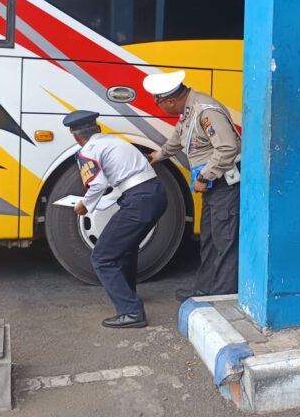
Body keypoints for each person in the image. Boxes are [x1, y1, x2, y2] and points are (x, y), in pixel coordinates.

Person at [142, 71, 241, 302]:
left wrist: (205, 176)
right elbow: (178, 139)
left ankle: (222, 297)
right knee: (209, 238)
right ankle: (205, 289)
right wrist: (156, 156)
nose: (161, 109)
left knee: (225, 241)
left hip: (223, 184)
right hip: (213, 186)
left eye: (160, 104)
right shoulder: (189, 111)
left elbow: (228, 147)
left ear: (170, 101)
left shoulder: (205, 111)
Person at [64, 110, 167, 328]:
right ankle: (128, 294)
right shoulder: (115, 141)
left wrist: (85, 205)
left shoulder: (88, 150)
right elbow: (126, 179)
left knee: (102, 257)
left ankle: (131, 312)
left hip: (139, 200)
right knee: (126, 247)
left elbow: (98, 184)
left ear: (76, 136)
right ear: (98, 128)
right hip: (155, 194)